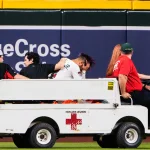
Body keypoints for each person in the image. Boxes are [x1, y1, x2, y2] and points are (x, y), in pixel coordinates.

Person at [109, 43, 150, 124]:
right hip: (134, 93)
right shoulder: (126, 61)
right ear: (132, 52)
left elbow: (133, 75)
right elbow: (122, 76)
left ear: (121, 51)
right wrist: (123, 92)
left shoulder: (119, 61)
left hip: (134, 92)